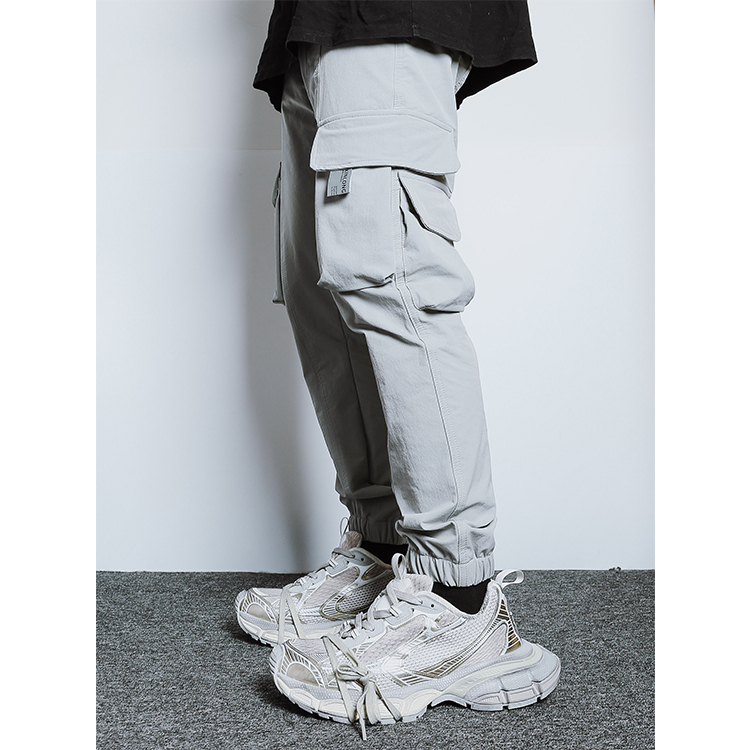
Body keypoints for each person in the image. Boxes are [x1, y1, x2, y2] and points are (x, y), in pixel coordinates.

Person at [234, 1, 560, 736]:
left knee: (394, 281)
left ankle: (458, 600)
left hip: (390, 14)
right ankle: (385, 549)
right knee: (325, 293)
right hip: (314, 25)